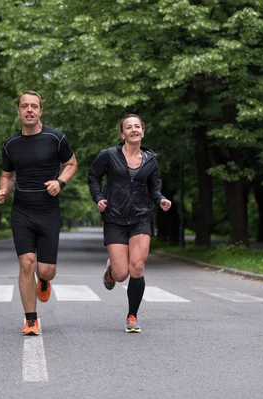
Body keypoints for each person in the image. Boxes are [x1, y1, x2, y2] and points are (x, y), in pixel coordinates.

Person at [0, 91, 78, 336]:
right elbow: (7, 176)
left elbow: (71, 164)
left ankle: (43, 280)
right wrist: (3, 190)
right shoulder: (10, 145)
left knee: (45, 270)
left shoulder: (56, 138)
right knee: (26, 263)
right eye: (24, 106)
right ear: (19, 111)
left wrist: (60, 182)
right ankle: (31, 319)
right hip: (22, 210)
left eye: (34, 106)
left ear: (41, 111)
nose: (29, 110)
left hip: (48, 211)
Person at [88, 114, 172, 333]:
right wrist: (98, 198)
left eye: (137, 126)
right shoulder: (108, 156)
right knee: (121, 273)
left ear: (142, 131)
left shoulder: (150, 160)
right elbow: (93, 176)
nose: (133, 130)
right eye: (129, 127)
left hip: (140, 218)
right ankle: (111, 272)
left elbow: (155, 187)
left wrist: (161, 199)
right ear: (122, 134)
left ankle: (132, 316)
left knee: (138, 266)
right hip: (114, 218)